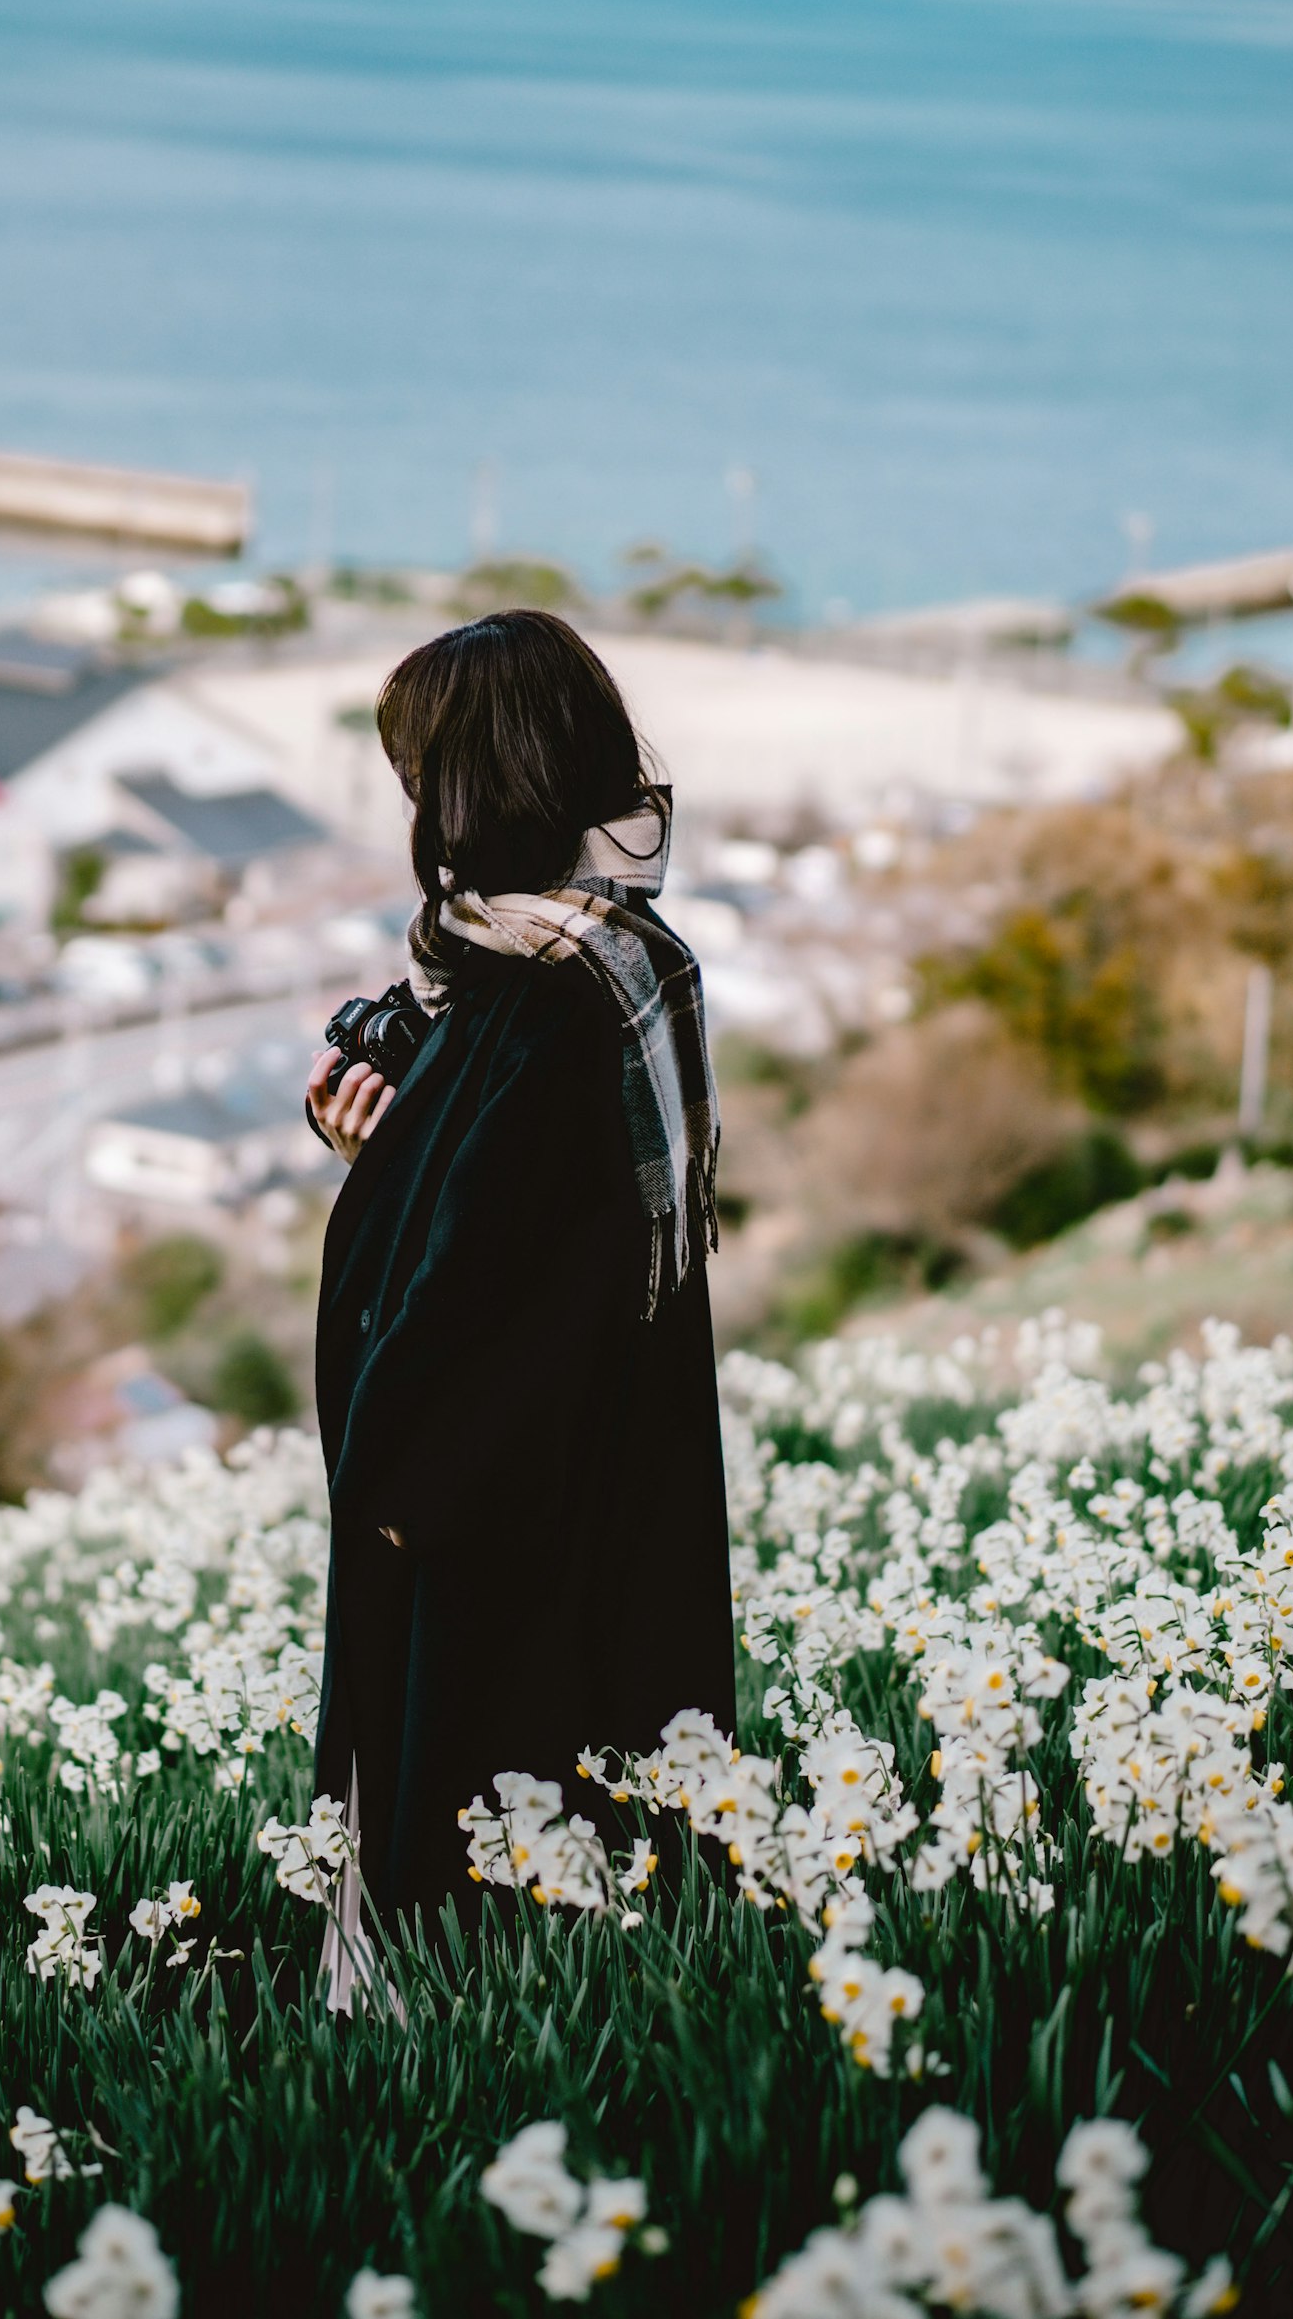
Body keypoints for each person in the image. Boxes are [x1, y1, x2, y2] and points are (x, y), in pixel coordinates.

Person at [302, 609, 736, 1933]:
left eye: (419, 777)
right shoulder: (618, 954)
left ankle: (463, 2060)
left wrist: (392, 1492)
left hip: (494, 1517)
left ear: (474, 785)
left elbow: (485, 1282)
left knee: (487, 1848)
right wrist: (375, 1122)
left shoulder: (543, 1007)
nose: (413, 807)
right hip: (614, 1484)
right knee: (609, 1803)